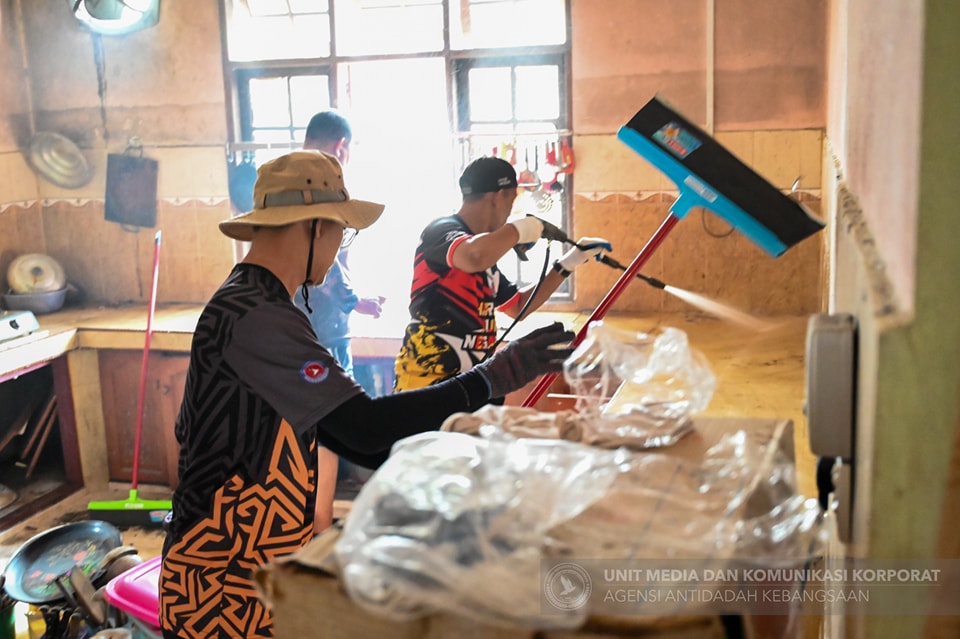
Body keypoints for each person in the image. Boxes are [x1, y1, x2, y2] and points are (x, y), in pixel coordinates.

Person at [158, 150, 575, 639]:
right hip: (219, 584)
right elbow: (365, 425)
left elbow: (355, 440)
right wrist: (488, 380)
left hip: (256, 572)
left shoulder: (268, 305)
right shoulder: (254, 315)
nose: (339, 244)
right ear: (312, 226)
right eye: (340, 230)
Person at [393, 155, 611, 392]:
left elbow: (519, 307)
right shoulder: (442, 230)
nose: (510, 210)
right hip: (426, 384)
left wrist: (568, 263)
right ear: (499, 196)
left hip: (471, 384)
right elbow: (474, 256)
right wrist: (519, 229)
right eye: (512, 199)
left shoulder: (485, 259)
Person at [291, 110, 385, 532]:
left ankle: (295, 521)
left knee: (293, 428)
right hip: (323, 333)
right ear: (341, 146)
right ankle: (320, 522)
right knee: (327, 427)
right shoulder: (325, 186)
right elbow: (324, 263)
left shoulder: (286, 182)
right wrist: (356, 302)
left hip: (290, 328)